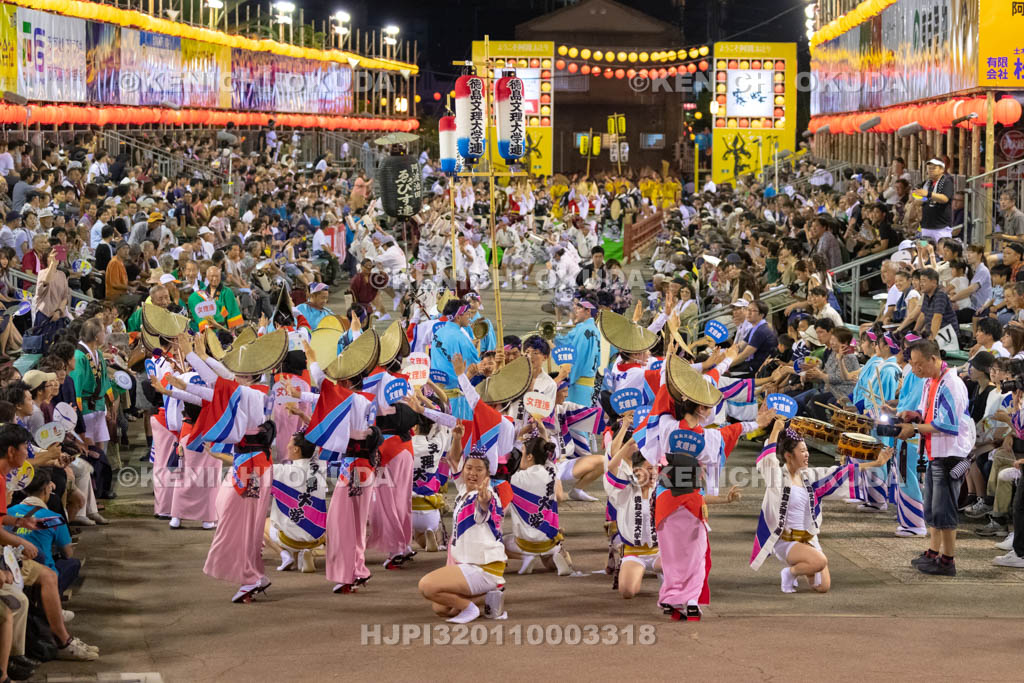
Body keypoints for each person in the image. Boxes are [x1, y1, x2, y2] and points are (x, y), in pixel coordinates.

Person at [752, 419, 892, 593]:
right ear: (789, 456)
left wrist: (875, 464)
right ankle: (789, 573)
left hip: (809, 539)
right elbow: (768, 461)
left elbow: (839, 473)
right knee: (820, 561)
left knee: (822, 587)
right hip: (786, 541)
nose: (807, 454)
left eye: (807, 450)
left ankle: (801, 565)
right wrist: (776, 429)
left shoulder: (811, 477)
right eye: (802, 451)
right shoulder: (777, 478)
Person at [417, 419, 507, 624]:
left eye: (479, 470)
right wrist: (457, 439)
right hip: (468, 564)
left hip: (484, 567)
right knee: (441, 607)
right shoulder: (463, 488)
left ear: (487, 474)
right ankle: (490, 596)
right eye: (469, 468)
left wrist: (484, 501)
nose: (472, 473)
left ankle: (470, 608)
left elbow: (483, 507)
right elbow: (453, 459)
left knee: (427, 586)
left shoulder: (488, 495)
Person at [897, 339, 974, 576]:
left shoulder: (952, 383)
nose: (915, 369)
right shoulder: (931, 381)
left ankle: (947, 560)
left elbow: (947, 425)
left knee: (944, 510)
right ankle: (933, 552)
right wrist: (914, 415)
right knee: (933, 508)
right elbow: (927, 413)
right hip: (935, 452)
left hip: (950, 454)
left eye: (918, 364)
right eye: (912, 364)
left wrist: (914, 428)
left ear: (933, 358)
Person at [265, 430, 326, 574]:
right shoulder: (320, 467)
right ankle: (305, 552)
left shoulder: (280, 471)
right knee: (309, 518)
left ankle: (285, 555)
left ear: (296, 449)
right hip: (318, 538)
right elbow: (319, 443)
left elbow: (254, 469)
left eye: (289, 443)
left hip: (289, 539)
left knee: (263, 523)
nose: (287, 446)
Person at [916, 159, 953, 241]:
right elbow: (919, 198)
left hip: (941, 228)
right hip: (925, 227)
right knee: (923, 246)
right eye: (929, 168)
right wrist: (919, 198)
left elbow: (945, 198)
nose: (930, 170)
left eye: (934, 168)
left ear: (942, 169)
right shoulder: (926, 183)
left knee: (942, 248)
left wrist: (928, 194)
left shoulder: (947, 181)